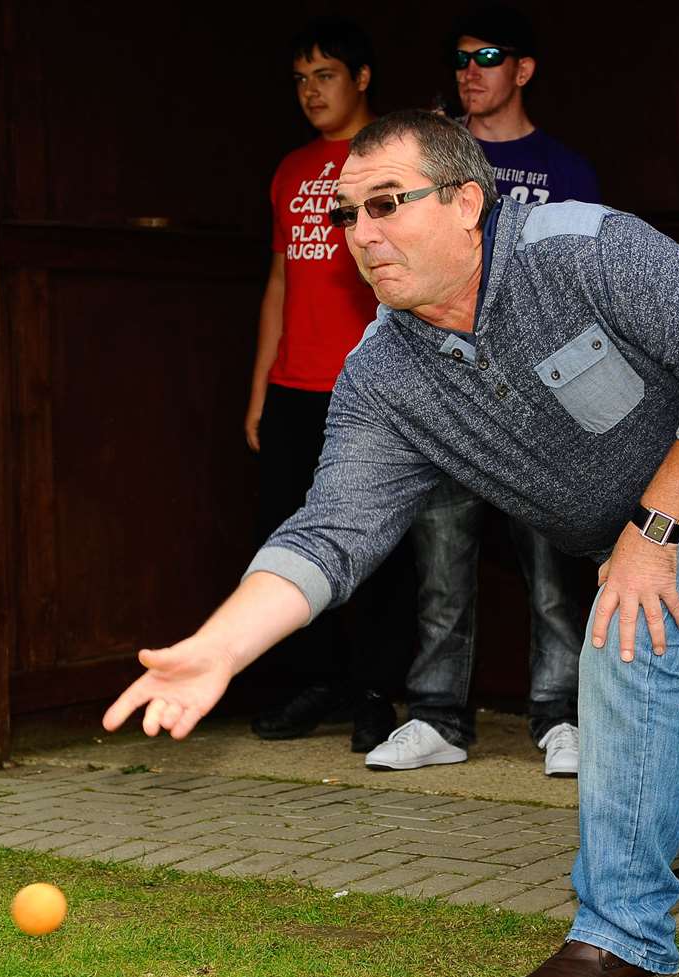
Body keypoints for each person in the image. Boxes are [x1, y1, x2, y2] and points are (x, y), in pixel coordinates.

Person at [104, 110, 679, 977]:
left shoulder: (586, 248)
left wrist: (650, 535)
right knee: (663, 689)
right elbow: (331, 531)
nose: (361, 235)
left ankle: (620, 931)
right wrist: (220, 649)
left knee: (632, 650)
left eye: (386, 204)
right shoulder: (382, 376)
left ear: (467, 202)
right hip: (648, 516)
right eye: (347, 216)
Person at [366, 5, 601, 777]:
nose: (470, 70)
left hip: (536, 409)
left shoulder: (565, 169)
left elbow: (591, 287)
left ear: (523, 70)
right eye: (460, 58)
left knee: (551, 580)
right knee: (439, 565)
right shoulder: (423, 164)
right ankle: (436, 718)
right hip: (443, 400)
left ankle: (561, 717)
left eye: (488, 56)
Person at [243, 18, 404, 753]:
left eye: (326, 75)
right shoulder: (289, 169)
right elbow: (281, 279)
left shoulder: (388, 160)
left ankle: (376, 693)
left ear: (362, 78)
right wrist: (259, 390)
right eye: (301, 79)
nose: (311, 91)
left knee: (374, 546)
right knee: (290, 537)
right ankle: (314, 682)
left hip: (368, 390)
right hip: (293, 388)